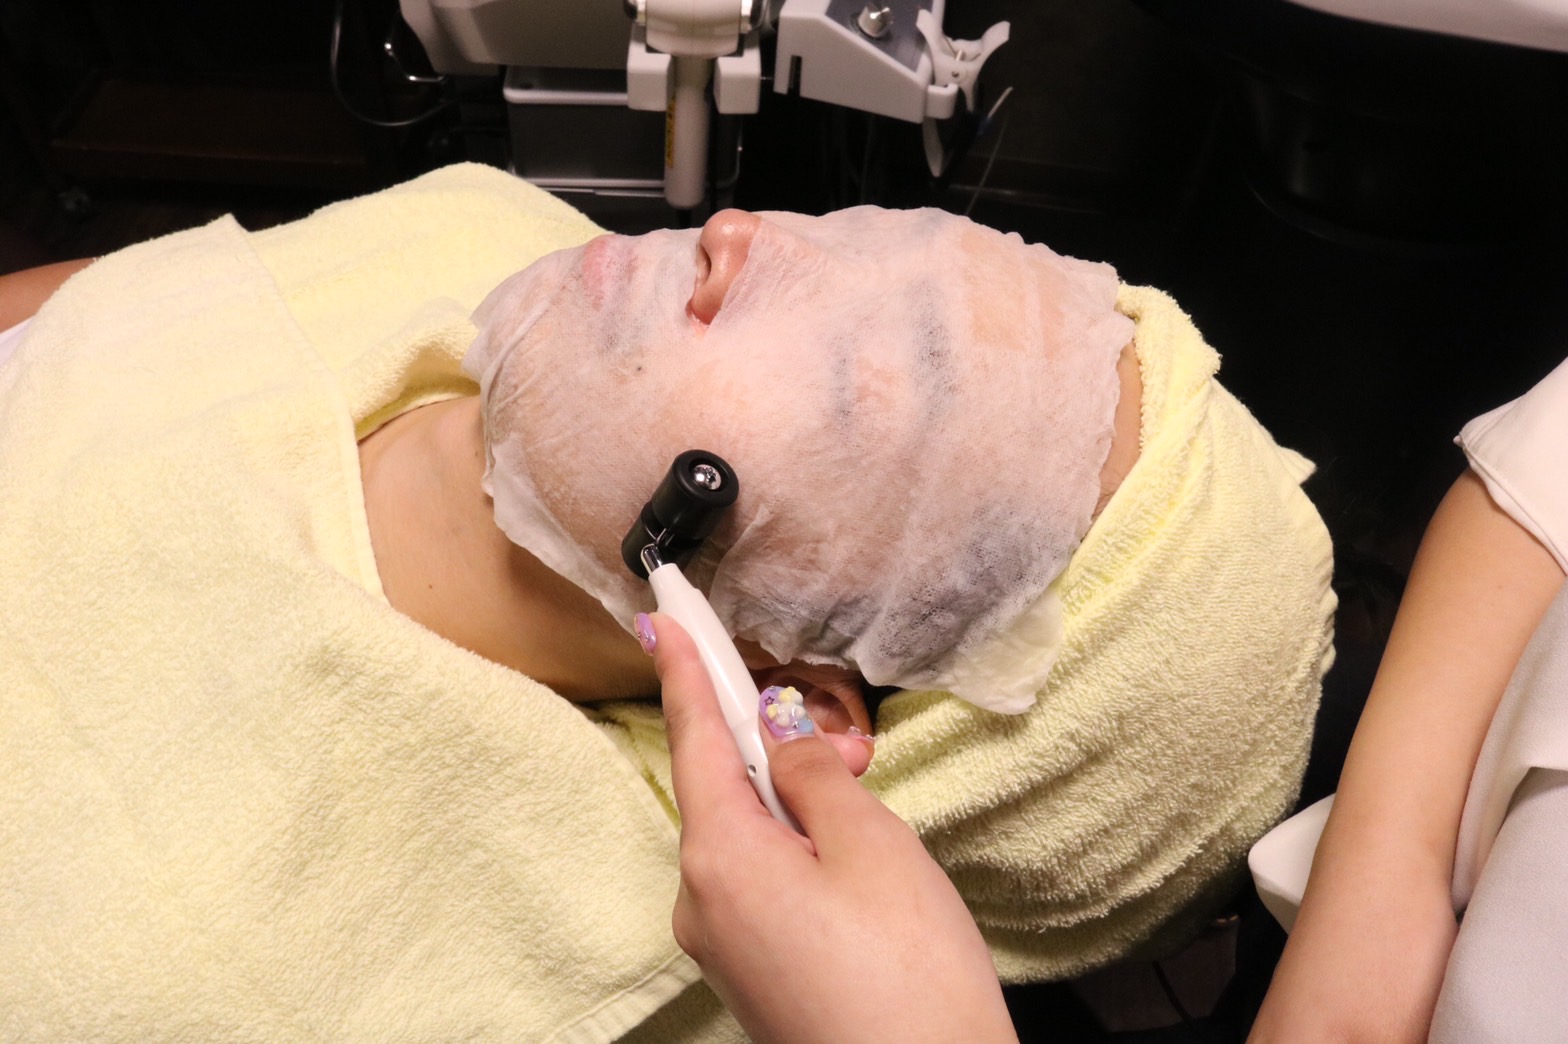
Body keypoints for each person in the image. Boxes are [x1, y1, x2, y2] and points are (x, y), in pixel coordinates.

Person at [0, 162, 1333, 1040]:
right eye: (859, 240)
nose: (737, 236)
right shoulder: (487, 224)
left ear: (795, 693)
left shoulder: (204, 962)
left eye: (857, 376)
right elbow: (85, 320)